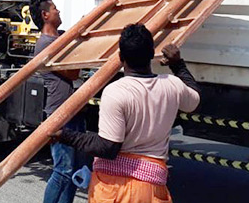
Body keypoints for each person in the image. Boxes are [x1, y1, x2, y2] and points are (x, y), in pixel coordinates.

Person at [49, 23, 201, 203]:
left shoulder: (116, 92)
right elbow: (194, 100)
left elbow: (108, 147)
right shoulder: (172, 85)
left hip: (114, 190)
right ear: (152, 53)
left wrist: (65, 136)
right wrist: (178, 65)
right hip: (152, 189)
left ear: (121, 57)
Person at [31, 0, 84, 203]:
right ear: (45, 15)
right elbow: (73, 73)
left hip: (73, 111)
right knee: (63, 170)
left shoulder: (60, 38)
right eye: (54, 8)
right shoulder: (46, 45)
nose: (58, 11)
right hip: (60, 114)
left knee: (74, 171)